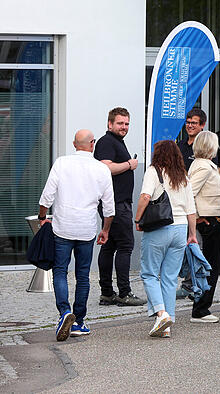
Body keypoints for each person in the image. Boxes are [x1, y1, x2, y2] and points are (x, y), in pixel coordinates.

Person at [39, 130, 115, 341]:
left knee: (60, 271)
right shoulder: (101, 169)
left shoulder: (62, 163)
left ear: (74, 144)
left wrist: (42, 217)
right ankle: (78, 322)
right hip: (86, 229)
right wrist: (105, 230)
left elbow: (47, 196)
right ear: (93, 144)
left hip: (62, 228)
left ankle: (64, 313)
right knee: (82, 276)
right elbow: (109, 208)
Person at [135, 140, 198, 338]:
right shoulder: (183, 176)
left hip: (159, 228)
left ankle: (161, 314)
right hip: (180, 229)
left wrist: (138, 218)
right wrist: (193, 235)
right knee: (170, 278)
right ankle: (167, 324)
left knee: (150, 274)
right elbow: (191, 210)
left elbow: (145, 196)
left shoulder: (154, 171)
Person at [95, 107, 146, 307]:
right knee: (125, 246)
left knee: (109, 246)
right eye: (120, 123)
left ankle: (107, 293)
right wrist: (129, 164)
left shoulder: (115, 141)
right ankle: (124, 293)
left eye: (126, 124)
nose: (124, 127)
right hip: (115, 204)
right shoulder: (107, 141)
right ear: (110, 124)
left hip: (116, 203)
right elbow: (105, 167)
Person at [188, 131, 220, 323]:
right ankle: (200, 309)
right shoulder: (204, 167)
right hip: (210, 221)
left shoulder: (203, 165)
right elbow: (189, 193)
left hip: (215, 220)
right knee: (213, 266)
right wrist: (198, 218)